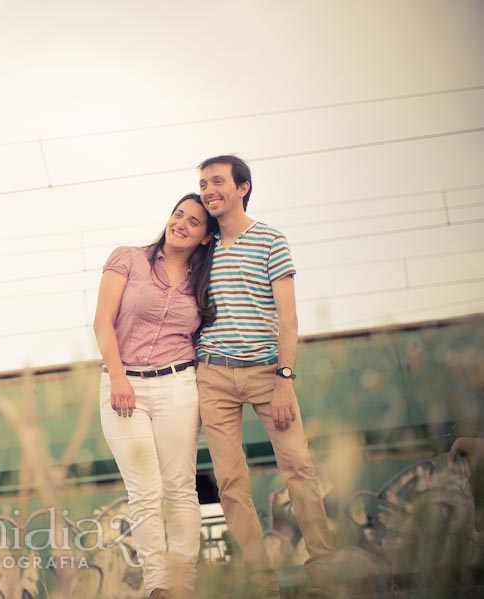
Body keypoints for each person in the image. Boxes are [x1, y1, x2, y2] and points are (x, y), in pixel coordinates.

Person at [195, 155, 336, 598]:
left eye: (216, 181)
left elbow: (288, 319)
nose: (207, 190)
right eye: (202, 184)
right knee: (232, 482)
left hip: (265, 373)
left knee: (298, 467)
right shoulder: (203, 248)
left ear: (243, 187)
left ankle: (324, 571)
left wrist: (284, 379)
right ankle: (262, 582)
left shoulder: (271, 241)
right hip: (213, 376)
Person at [93, 193, 218, 599]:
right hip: (123, 384)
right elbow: (102, 323)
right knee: (144, 491)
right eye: (178, 214)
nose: (181, 223)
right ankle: (158, 586)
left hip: (177, 385)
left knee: (181, 486)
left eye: (194, 222)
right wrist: (118, 378)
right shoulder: (128, 258)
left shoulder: (205, 282)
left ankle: (183, 583)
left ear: (204, 237)